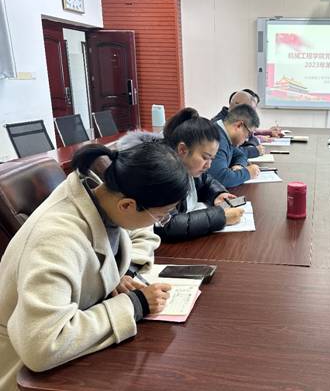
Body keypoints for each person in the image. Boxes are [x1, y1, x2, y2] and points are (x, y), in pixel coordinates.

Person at [0, 142, 189, 390]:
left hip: (74, 350)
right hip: (26, 373)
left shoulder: (105, 195)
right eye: (161, 215)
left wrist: (122, 272)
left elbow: (142, 233)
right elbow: (42, 346)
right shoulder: (56, 240)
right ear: (127, 205)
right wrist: (136, 304)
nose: (161, 221)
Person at [118, 107, 245, 241]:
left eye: (212, 159)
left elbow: (205, 180)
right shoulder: (160, 172)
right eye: (205, 157)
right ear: (182, 149)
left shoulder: (188, 166)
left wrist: (217, 194)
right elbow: (166, 225)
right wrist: (221, 217)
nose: (208, 165)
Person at [212, 89, 282, 158]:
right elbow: (232, 152)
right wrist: (252, 151)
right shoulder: (219, 127)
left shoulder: (235, 122)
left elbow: (251, 138)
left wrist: (239, 162)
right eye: (250, 110)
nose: (252, 114)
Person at [209, 103, 261, 187]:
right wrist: (248, 173)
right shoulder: (216, 138)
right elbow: (220, 178)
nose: (247, 139)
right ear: (239, 125)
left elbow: (241, 155)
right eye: (248, 134)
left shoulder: (226, 136)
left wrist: (238, 165)